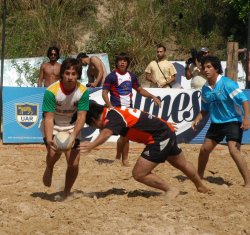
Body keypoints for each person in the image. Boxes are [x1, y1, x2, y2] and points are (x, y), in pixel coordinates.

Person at [79, 102, 209, 199]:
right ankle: (200, 186)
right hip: (165, 131)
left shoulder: (112, 118)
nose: (96, 128)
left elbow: (106, 132)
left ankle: (170, 189)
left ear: (94, 120)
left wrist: (91, 145)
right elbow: (143, 116)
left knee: (139, 173)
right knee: (182, 163)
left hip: (159, 137)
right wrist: (164, 123)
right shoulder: (115, 112)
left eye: (92, 125)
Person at [192, 55, 250, 187]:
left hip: (233, 121)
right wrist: (197, 119)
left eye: (209, 67)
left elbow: (244, 101)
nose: (205, 70)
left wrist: (246, 118)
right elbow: (205, 109)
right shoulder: (205, 88)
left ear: (216, 68)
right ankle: (199, 176)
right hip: (217, 123)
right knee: (204, 150)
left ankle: (248, 182)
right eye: (204, 67)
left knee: (233, 150)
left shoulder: (227, 84)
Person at [40, 58, 89, 198]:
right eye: (67, 73)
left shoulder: (83, 91)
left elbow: (81, 117)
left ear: (78, 75)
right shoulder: (51, 91)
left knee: (73, 163)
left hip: (72, 126)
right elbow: (48, 118)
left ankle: (66, 191)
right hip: (53, 124)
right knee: (53, 153)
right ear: (62, 74)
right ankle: (49, 167)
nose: (70, 77)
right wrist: (49, 139)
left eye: (73, 74)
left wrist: (73, 136)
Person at [102, 52, 161, 166]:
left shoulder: (131, 76)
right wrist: (109, 105)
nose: (122, 62)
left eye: (125, 60)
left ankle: (121, 157)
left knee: (125, 135)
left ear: (127, 63)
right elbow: (104, 93)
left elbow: (140, 90)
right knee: (125, 135)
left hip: (129, 110)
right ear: (117, 63)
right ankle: (123, 158)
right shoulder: (111, 76)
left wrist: (152, 96)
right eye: (120, 60)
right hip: (117, 110)